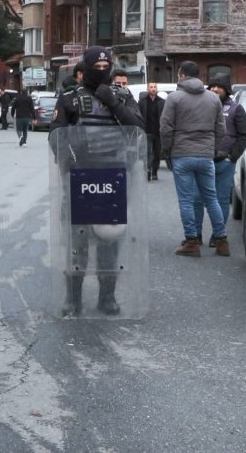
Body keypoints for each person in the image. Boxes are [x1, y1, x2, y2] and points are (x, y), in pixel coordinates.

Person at [51, 46, 145, 315]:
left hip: (113, 176)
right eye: (97, 67)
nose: (102, 71)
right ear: (86, 68)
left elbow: (138, 128)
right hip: (80, 177)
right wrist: (70, 163)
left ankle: (107, 297)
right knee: (77, 242)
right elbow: (56, 135)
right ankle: (73, 298)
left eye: (106, 67)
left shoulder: (122, 96)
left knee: (109, 239)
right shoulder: (70, 98)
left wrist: (113, 102)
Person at [160, 61, 228, 258]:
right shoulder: (213, 98)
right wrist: (212, 148)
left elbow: (166, 127)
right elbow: (221, 128)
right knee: (211, 198)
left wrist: (167, 150)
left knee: (186, 200)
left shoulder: (174, 98)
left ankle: (192, 241)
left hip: (182, 153)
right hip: (206, 154)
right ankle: (221, 240)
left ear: (181, 75)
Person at [193, 73, 246, 247]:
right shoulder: (201, 106)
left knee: (221, 200)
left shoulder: (236, 109)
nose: (215, 89)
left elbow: (244, 136)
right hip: (202, 160)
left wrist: (232, 156)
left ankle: (217, 236)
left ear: (227, 90)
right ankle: (195, 236)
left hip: (224, 163)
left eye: (219, 87)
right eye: (212, 86)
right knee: (196, 199)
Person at [138, 82, 165, 181]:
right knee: (148, 153)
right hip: (147, 131)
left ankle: (154, 172)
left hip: (158, 132)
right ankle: (148, 171)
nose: (153, 89)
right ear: (147, 89)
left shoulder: (162, 102)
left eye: (155, 87)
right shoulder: (142, 102)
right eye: (151, 87)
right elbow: (138, 115)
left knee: (157, 153)